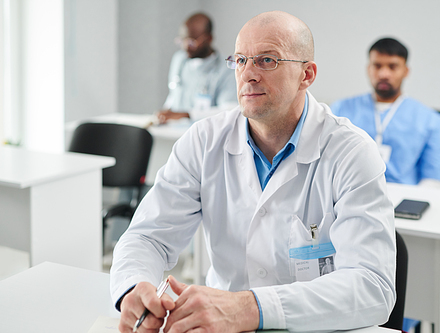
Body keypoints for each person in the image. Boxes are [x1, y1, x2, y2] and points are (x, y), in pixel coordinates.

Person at [111, 11, 396, 333]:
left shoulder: (351, 151)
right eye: (241, 59)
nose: (248, 73)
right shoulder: (203, 141)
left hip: (315, 326)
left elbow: (373, 286)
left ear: (307, 75)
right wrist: (135, 288)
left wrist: (249, 308)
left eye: (267, 61)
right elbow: (148, 236)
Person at [331, 37, 440, 188]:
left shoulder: (432, 121)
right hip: (345, 195)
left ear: (406, 71)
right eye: (377, 66)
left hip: (402, 201)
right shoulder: (339, 111)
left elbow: (435, 179)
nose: (383, 74)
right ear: (368, 69)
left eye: (392, 66)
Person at [156, 13, 237, 124]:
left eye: (191, 42)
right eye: (182, 40)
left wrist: (188, 115)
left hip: (206, 134)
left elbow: (229, 109)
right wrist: (165, 113)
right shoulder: (179, 59)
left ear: (208, 39)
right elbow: (174, 95)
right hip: (173, 132)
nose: (185, 47)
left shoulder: (227, 68)